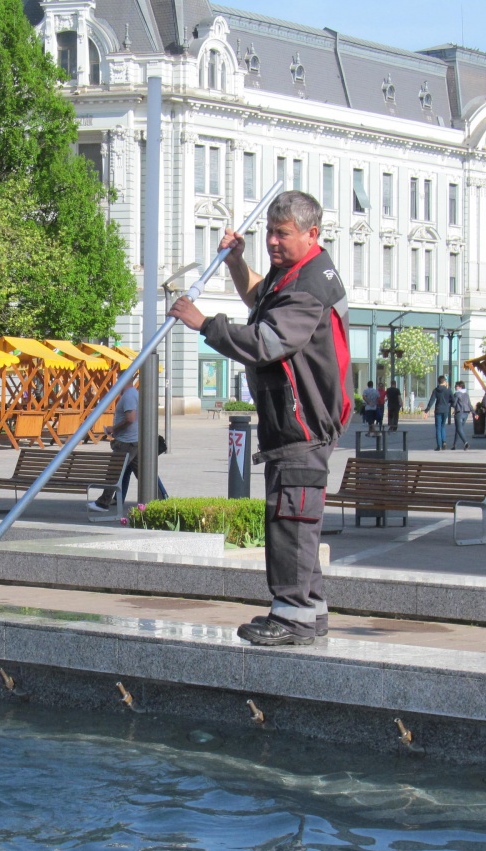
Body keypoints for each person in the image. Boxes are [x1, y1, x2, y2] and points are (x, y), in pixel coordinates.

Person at [169, 190, 352, 647]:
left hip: (303, 423)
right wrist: (236, 263)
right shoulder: (298, 272)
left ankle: (291, 619)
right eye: (269, 232)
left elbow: (268, 340)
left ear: (312, 234)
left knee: (289, 517)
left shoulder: (310, 286)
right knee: (297, 516)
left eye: (282, 234)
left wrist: (205, 324)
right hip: (297, 420)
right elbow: (262, 297)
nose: (272, 241)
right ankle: (310, 611)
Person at [89, 381, 167, 513]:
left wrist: (113, 428)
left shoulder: (128, 396)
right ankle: (161, 501)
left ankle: (103, 503)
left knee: (114, 472)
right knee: (144, 474)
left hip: (126, 442)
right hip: (135, 440)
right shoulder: (135, 394)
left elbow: (130, 418)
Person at [424, 375, 453, 450]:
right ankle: (444, 441)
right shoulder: (448, 390)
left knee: (438, 428)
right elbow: (452, 399)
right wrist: (450, 404)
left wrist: (427, 410)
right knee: (443, 426)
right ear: (444, 381)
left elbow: (432, 400)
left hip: (438, 410)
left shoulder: (436, 390)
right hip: (446, 410)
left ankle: (439, 445)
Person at [451, 380, 473, 450]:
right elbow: (469, 404)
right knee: (459, 429)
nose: (455, 388)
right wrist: (474, 412)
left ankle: (466, 442)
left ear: (460, 387)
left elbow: (454, 403)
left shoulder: (457, 394)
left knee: (459, 429)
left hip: (459, 413)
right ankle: (454, 445)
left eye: (456, 386)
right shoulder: (466, 394)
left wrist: (451, 405)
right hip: (466, 413)